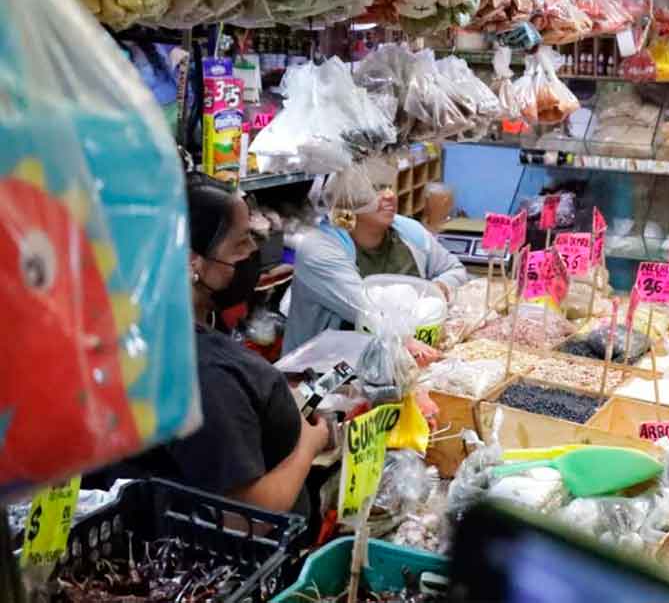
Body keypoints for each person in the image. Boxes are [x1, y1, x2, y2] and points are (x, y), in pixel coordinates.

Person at [87, 174, 332, 517]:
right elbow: (246, 518)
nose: (253, 253)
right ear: (192, 261)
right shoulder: (203, 371)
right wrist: (308, 444)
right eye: (241, 243)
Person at [284, 185, 471, 354]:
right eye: (375, 188)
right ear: (345, 199)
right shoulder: (320, 247)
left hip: (400, 359)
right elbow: (370, 315)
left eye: (389, 186)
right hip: (324, 374)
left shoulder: (408, 230)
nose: (389, 195)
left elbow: (455, 270)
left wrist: (439, 288)